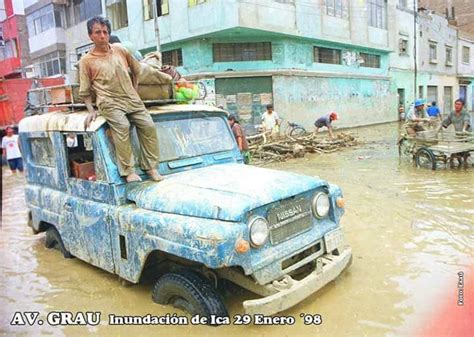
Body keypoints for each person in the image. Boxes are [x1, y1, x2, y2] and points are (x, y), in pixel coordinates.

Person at [79, 16, 163, 183]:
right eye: (98, 32)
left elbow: (137, 69)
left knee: (148, 125)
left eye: (105, 32)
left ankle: (151, 167)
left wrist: (135, 90)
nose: (102, 36)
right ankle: (128, 171)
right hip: (108, 102)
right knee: (123, 126)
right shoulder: (86, 61)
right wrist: (91, 110)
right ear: (91, 36)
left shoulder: (121, 51)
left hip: (131, 98)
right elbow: (85, 90)